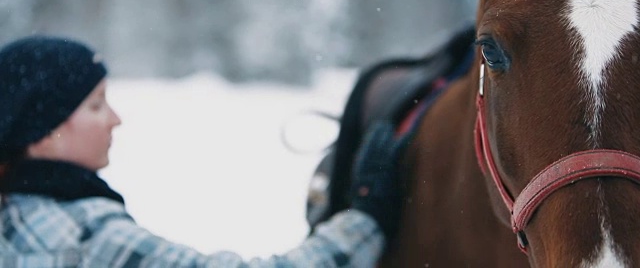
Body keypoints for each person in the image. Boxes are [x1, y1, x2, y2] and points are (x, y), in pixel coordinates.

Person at [0, 36, 409, 267]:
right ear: (41, 133)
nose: (115, 119)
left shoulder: (15, 217)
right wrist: (365, 218)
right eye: (95, 105)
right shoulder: (83, 238)